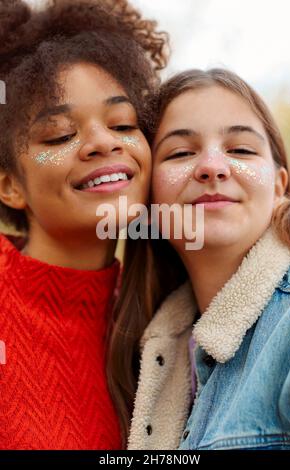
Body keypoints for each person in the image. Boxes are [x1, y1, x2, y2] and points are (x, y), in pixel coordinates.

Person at [0, 0, 168, 449]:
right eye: (60, 135)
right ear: (10, 186)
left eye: (123, 124)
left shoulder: (168, 314)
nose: (100, 142)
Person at [114, 68, 290, 450]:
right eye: (181, 153)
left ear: (279, 186)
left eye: (241, 149)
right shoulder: (148, 350)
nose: (212, 167)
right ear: (147, 201)